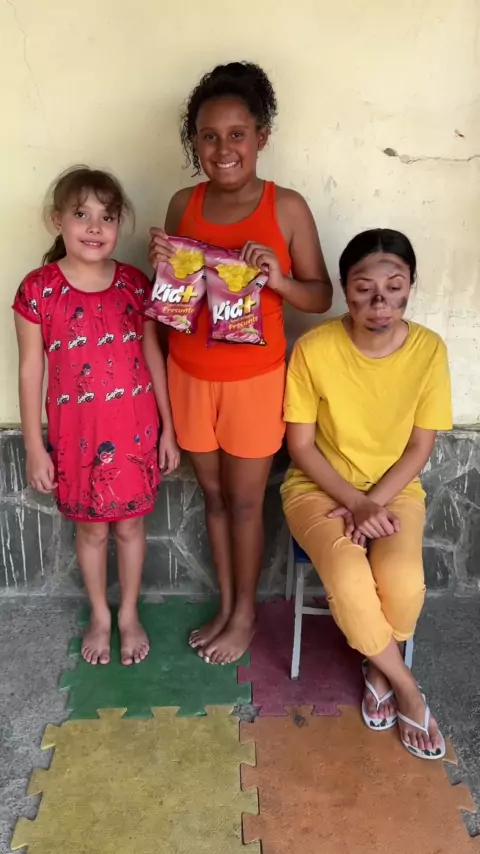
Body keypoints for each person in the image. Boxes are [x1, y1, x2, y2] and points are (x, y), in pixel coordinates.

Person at [149, 61, 332, 665]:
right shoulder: (183, 203)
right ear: (194, 142)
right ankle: (227, 606)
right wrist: (165, 261)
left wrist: (278, 279)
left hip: (254, 382)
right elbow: (175, 293)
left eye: (237, 134)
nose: (223, 148)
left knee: (247, 503)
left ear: (261, 137)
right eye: (208, 136)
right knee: (214, 497)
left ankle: (246, 616)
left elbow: (320, 296)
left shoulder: (287, 208)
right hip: (188, 375)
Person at [282, 229, 452, 760]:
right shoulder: (314, 349)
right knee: (351, 579)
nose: (380, 303)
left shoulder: (428, 350)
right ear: (344, 287)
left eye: (394, 287)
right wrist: (356, 503)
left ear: (411, 285)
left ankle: (378, 669)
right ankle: (406, 687)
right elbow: (301, 447)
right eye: (364, 289)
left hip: (395, 489)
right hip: (319, 489)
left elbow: (420, 447)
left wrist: (373, 501)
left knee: (404, 582)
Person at [13, 166, 180, 667]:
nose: (94, 227)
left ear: (118, 225)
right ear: (57, 220)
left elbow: (154, 357)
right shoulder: (37, 291)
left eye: (107, 217)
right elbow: (30, 371)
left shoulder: (134, 284)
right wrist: (34, 446)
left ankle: (128, 614)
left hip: (134, 431)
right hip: (76, 436)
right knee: (91, 530)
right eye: (81, 214)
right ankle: (100, 616)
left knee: (129, 528)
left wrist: (169, 430)